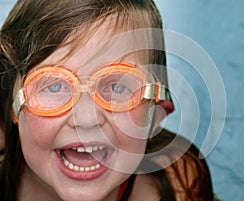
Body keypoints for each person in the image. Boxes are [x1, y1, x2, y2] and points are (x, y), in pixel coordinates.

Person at [0, 0, 217, 200]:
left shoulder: (178, 180)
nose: (86, 119)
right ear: (14, 105)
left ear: (157, 113)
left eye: (118, 87)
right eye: (54, 86)